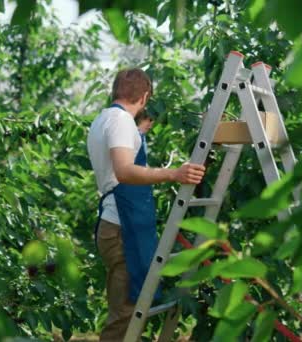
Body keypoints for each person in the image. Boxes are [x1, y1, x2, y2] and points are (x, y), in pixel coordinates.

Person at [87, 68, 205, 341]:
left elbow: (118, 155)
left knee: (128, 307)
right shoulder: (120, 122)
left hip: (116, 224)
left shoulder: (106, 119)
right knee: (125, 314)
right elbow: (125, 171)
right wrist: (174, 173)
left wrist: (138, 133)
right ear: (145, 96)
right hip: (122, 228)